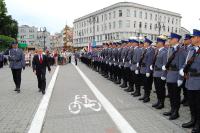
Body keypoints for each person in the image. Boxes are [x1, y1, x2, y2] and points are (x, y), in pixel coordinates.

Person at [180, 29, 200, 133]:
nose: (191, 39)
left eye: (193, 37)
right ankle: (193, 120)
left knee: (198, 103)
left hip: (198, 81)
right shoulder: (191, 49)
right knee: (191, 103)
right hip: (189, 80)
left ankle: (198, 124)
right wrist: (183, 70)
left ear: (198, 38)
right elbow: (186, 62)